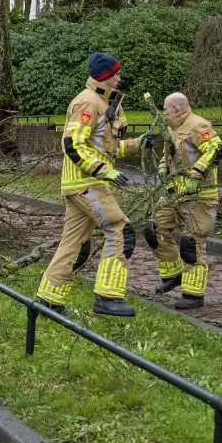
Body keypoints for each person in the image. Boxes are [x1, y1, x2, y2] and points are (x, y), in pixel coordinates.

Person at [36, 53, 154, 317]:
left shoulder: (102, 101)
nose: (119, 77)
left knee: (74, 243)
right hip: (87, 182)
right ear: (104, 76)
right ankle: (108, 297)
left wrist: (139, 143)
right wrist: (104, 171)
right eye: (116, 73)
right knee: (120, 229)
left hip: (84, 181)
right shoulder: (88, 102)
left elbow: (104, 148)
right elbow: (72, 145)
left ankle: (49, 300)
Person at [144, 93, 222, 310]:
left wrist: (196, 175)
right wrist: (162, 167)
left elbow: (215, 149)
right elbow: (169, 154)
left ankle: (194, 294)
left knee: (191, 244)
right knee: (154, 230)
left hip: (199, 197)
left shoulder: (198, 125)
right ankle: (173, 274)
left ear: (178, 109)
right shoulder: (172, 127)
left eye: (166, 109)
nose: (163, 113)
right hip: (174, 195)